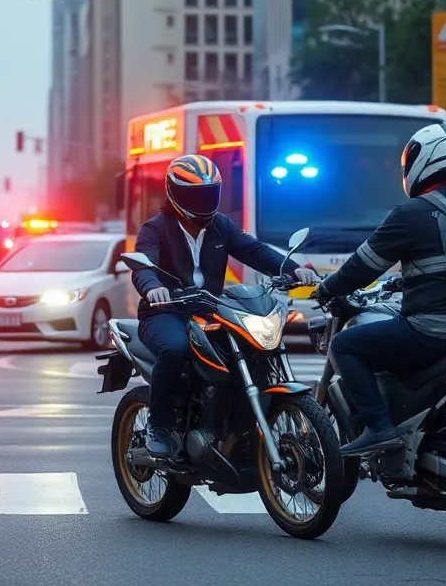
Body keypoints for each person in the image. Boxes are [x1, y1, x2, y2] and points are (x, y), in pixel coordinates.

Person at [314, 123, 446, 454]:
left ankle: (379, 427)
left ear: (422, 161)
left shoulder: (412, 213)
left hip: (433, 334)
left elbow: (362, 266)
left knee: (345, 345)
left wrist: (326, 288)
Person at [131, 154, 320, 460]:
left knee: (253, 349)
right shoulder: (155, 228)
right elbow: (143, 267)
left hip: (208, 310)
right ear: (174, 192)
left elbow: (255, 251)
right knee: (176, 349)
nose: (203, 200)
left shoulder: (222, 226)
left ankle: (238, 429)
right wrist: (153, 288)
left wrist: (294, 269)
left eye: (209, 193)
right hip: (165, 313)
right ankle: (158, 425)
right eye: (194, 194)